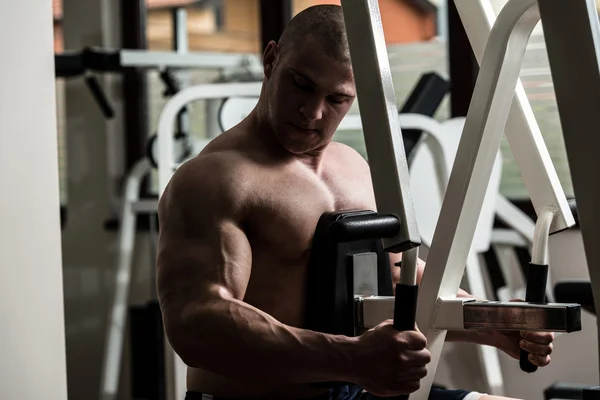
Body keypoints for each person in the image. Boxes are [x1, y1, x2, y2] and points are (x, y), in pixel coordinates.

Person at [156, 5, 554, 400]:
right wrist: (350, 358)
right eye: (301, 84)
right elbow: (198, 321)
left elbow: (398, 278)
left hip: (355, 391)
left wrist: (494, 322)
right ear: (271, 59)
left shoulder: (355, 168)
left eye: (336, 99)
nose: (312, 111)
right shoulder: (213, 179)